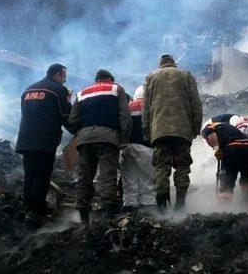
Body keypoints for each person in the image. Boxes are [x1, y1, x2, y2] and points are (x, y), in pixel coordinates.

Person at [69, 69, 131, 224]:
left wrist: (81, 132)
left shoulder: (82, 93)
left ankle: (84, 216)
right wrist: (124, 138)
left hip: (84, 140)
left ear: (96, 80)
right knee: (107, 174)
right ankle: (109, 214)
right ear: (110, 78)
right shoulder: (117, 89)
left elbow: (72, 119)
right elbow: (125, 116)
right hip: (108, 138)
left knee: (84, 177)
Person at [143, 54, 202, 211]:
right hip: (182, 130)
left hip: (158, 131)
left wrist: (146, 133)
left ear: (160, 64)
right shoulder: (186, 75)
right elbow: (196, 103)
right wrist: (195, 128)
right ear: (174, 63)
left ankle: (161, 204)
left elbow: (146, 108)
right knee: (182, 166)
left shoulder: (151, 77)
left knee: (161, 167)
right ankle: (180, 204)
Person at [16, 63, 72, 226]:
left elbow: (25, 114)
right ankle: (37, 212)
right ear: (57, 75)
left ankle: (27, 207)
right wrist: (77, 129)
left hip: (26, 139)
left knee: (30, 174)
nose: (65, 79)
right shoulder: (59, 90)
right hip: (44, 140)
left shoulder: (28, 90)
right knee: (42, 175)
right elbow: (65, 115)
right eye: (64, 76)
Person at [202, 120, 248, 202]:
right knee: (246, 177)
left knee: (227, 179)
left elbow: (211, 136)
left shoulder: (208, 127)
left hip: (232, 147)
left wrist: (217, 148)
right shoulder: (228, 128)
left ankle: (224, 209)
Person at [120, 85, 155, 212]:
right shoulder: (152, 108)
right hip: (146, 148)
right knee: (147, 180)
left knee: (129, 181)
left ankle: (129, 206)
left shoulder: (126, 107)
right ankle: (148, 207)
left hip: (126, 148)